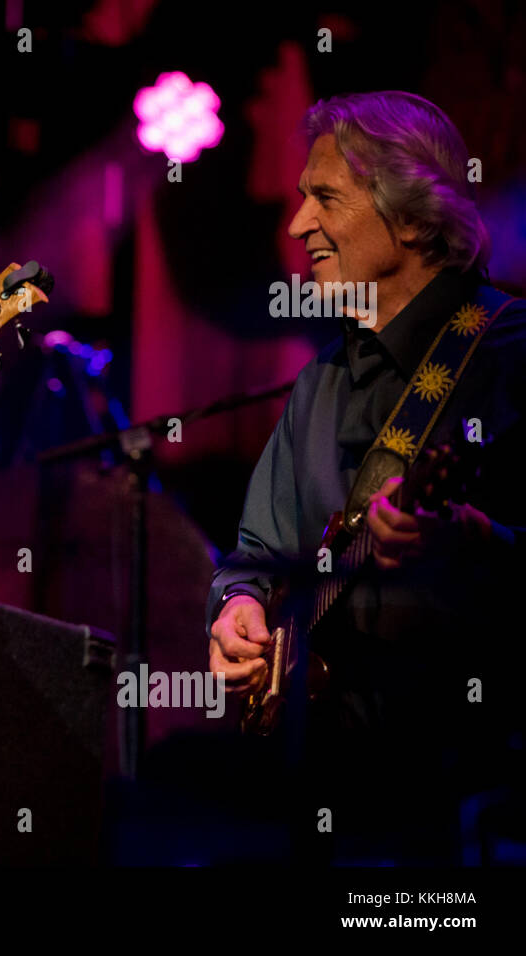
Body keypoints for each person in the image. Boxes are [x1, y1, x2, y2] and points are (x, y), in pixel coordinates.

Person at [206, 92, 526, 864]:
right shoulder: (319, 383)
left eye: (325, 198)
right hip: (326, 803)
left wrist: (477, 540)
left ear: (413, 217)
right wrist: (237, 609)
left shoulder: (509, 354)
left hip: (471, 807)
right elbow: (256, 550)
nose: (296, 226)